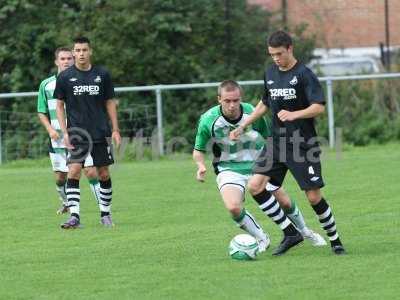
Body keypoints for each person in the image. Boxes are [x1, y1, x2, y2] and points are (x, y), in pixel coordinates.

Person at [230, 30, 346, 255]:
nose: (275, 58)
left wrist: (295, 114)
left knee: (313, 196)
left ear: (290, 48)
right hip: (276, 142)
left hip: (302, 144)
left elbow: (319, 107)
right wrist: (245, 124)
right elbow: (265, 103)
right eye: (272, 54)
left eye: (279, 53)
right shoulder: (271, 73)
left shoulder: (304, 74)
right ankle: (290, 232)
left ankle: (335, 239)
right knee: (255, 186)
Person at [193, 80, 326, 255]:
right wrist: (200, 165)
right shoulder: (208, 120)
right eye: (227, 101)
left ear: (240, 98)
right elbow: (198, 150)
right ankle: (261, 238)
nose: (232, 105)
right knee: (233, 207)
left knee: (284, 201)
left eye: (235, 100)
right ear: (219, 99)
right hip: (229, 169)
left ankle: (305, 232)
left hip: (260, 165)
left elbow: (271, 138)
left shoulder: (251, 113)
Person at [54, 37, 121, 229]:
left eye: (84, 50)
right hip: (77, 133)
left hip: (100, 131)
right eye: (78, 50)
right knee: (74, 170)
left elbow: (110, 102)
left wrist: (115, 129)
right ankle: (74, 217)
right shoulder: (65, 77)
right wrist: (65, 131)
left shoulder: (102, 74)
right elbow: (59, 105)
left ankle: (105, 214)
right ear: (74, 53)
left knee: (103, 173)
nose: (81, 53)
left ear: (90, 51)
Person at [37, 47, 102, 215]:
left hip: (80, 135)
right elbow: (41, 111)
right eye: (63, 59)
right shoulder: (46, 85)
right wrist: (50, 129)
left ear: (73, 60)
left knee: (90, 171)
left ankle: (103, 209)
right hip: (57, 138)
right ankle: (66, 202)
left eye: (69, 58)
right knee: (60, 177)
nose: (66, 61)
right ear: (56, 62)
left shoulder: (82, 81)